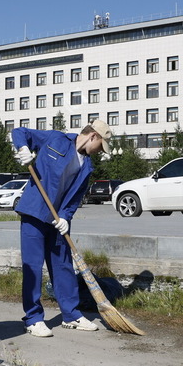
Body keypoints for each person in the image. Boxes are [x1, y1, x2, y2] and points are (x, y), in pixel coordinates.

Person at [12, 120, 112, 338]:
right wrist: (24, 149)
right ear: (93, 136)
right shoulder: (56, 139)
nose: (99, 152)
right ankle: (33, 318)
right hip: (35, 213)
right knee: (33, 267)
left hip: (57, 221)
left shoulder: (87, 166)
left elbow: (75, 198)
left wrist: (66, 217)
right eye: (100, 146)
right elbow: (20, 132)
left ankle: (71, 315)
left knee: (63, 266)